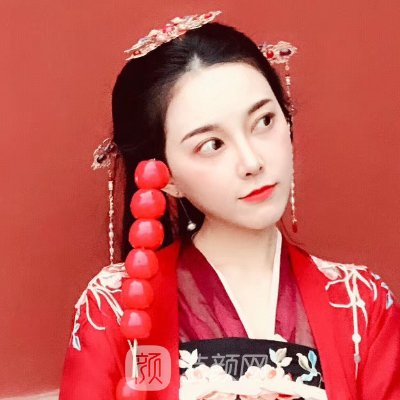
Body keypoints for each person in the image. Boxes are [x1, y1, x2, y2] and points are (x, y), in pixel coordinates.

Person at [59, 10, 400, 400]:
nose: (252, 161)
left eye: (264, 121)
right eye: (212, 145)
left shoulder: (361, 303)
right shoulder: (114, 305)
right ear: (165, 176)